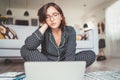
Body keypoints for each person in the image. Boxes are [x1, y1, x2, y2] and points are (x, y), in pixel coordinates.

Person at [20, 2, 96, 67]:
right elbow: (29, 45)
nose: (52, 19)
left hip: (65, 61)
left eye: (55, 15)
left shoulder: (70, 30)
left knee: (91, 54)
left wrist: (68, 65)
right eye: (47, 16)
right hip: (47, 63)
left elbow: (70, 54)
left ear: (61, 17)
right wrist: (44, 26)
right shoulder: (43, 30)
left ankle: (59, 71)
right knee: (24, 48)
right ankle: (53, 70)